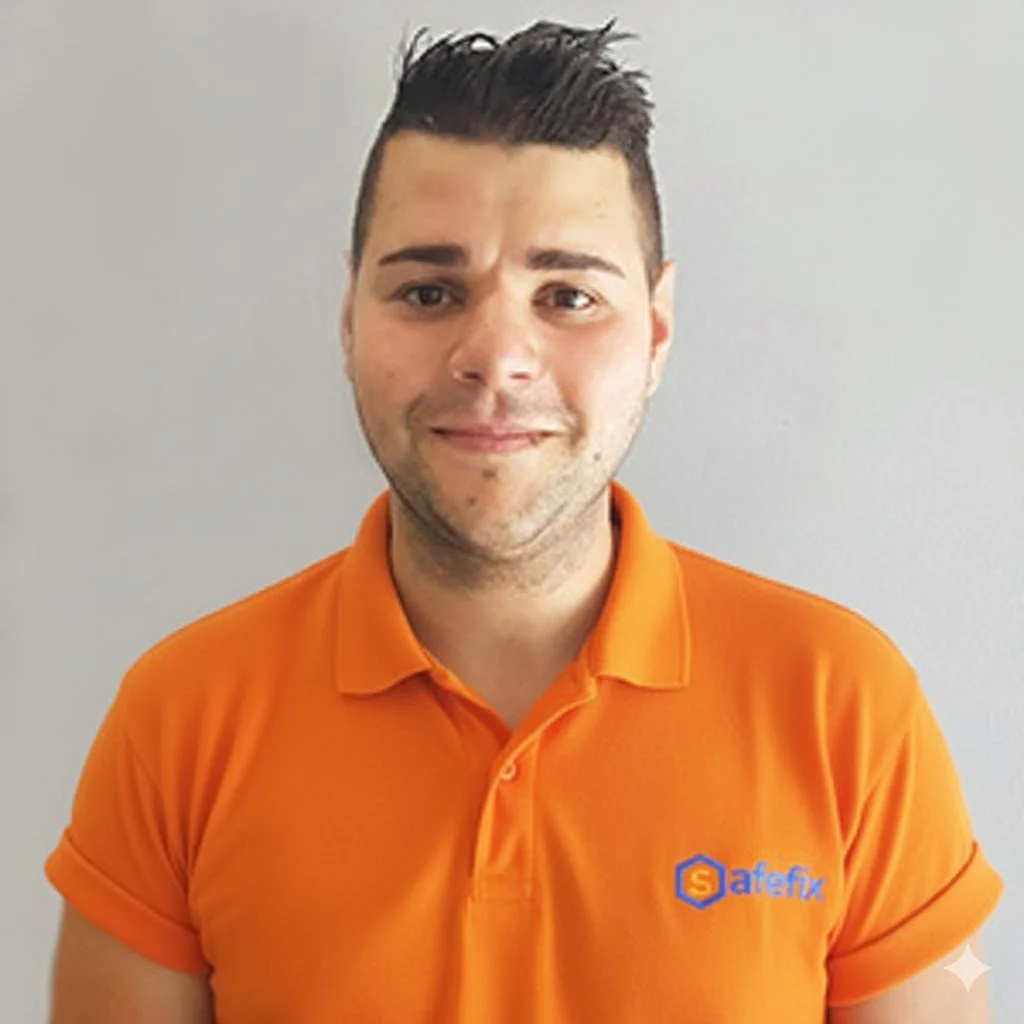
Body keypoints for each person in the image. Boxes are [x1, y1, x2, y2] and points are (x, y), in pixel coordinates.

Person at [44, 20, 1003, 1023]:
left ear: (657, 329)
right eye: (427, 290)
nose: (495, 356)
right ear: (348, 319)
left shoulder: (845, 705)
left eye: (567, 294)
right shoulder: (182, 719)